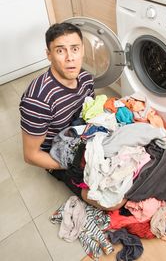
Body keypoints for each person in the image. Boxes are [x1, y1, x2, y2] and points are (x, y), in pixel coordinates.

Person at [19, 22, 126, 210]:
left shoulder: (85, 77)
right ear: (49, 55)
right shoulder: (37, 101)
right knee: (112, 202)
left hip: (83, 133)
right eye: (60, 51)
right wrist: (75, 163)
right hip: (58, 154)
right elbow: (31, 155)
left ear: (83, 50)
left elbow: (89, 111)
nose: (70, 58)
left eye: (75, 49)